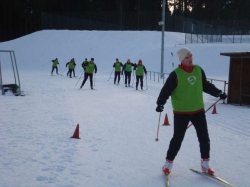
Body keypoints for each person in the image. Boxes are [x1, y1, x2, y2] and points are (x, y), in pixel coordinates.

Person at [155, 47, 227, 176]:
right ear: (181, 60)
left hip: (198, 110)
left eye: (191, 56)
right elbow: (166, 90)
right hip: (181, 112)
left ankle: (205, 164)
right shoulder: (176, 74)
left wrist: (218, 92)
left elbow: (205, 85)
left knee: (204, 137)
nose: (190, 59)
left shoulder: (198, 70)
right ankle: (168, 164)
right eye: (187, 57)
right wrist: (160, 103)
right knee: (177, 138)